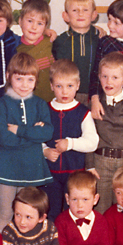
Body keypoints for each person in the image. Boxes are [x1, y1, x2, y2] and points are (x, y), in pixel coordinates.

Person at [0, 53, 53, 232]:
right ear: (9, 77)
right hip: (7, 167)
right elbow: (4, 138)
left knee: (27, 213)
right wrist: (34, 135)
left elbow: (47, 132)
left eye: (30, 79)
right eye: (19, 79)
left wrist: (20, 130)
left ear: (36, 80)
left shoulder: (40, 104)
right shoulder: (2, 103)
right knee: (5, 213)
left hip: (31, 166)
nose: (24, 85)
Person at [86, 52, 123, 214]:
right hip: (100, 163)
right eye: (104, 76)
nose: (108, 82)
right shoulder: (95, 105)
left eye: (115, 78)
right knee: (101, 210)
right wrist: (89, 164)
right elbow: (89, 136)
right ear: (99, 77)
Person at [43, 60, 98, 220]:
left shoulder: (83, 112)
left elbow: (92, 142)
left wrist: (71, 143)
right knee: (51, 212)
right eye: (59, 86)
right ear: (52, 86)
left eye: (69, 86)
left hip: (75, 175)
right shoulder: (45, 110)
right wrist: (44, 151)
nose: (64, 91)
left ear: (78, 85)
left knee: (73, 213)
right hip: (50, 173)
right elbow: (35, 137)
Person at [53, 0, 102, 105]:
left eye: (85, 10)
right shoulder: (60, 41)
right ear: (66, 16)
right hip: (67, 95)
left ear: (94, 15)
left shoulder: (100, 39)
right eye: (75, 10)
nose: (80, 14)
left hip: (96, 95)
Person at [16, 0, 55, 102]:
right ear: (20, 21)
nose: (34, 27)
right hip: (30, 103)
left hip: (53, 101)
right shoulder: (16, 49)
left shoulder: (51, 42)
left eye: (39, 23)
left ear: (45, 26)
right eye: (30, 21)